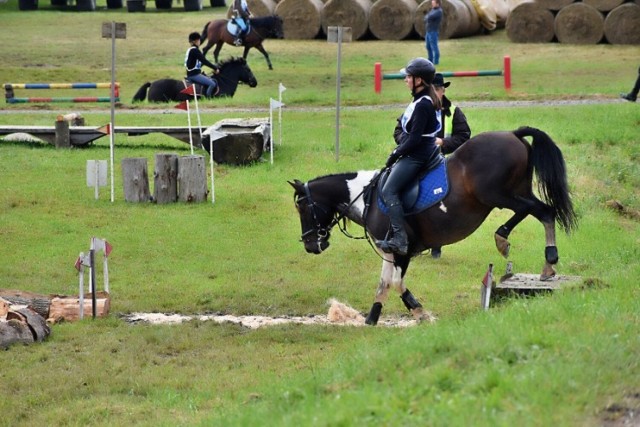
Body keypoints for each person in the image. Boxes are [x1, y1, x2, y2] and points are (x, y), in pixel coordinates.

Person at [377, 58, 443, 256]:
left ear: (419, 80)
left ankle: (400, 239)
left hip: (417, 155)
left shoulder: (423, 104)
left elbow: (414, 140)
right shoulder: (421, 98)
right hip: (420, 150)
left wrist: (395, 153)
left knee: (389, 190)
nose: (405, 79)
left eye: (408, 76)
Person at [430, 72, 471, 259]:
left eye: (436, 90)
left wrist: (443, 143)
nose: (433, 94)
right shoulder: (418, 108)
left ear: (442, 91)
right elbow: (400, 130)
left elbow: (464, 136)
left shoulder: (453, 111)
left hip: (446, 163)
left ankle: (436, 244)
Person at [184, 32, 220, 99]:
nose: (200, 41)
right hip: (194, 75)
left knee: (210, 79)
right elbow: (204, 61)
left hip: (191, 73)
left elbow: (198, 63)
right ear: (196, 41)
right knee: (212, 84)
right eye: (199, 40)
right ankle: (208, 98)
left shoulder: (190, 50)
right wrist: (215, 68)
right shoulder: (195, 51)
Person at [424, 0, 443, 65]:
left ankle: (436, 62)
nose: (432, 4)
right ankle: (430, 60)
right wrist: (428, 17)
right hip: (428, 31)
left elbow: (429, 17)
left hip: (433, 31)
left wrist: (428, 17)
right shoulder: (433, 10)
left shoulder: (439, 11)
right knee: (428, 46)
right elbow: (426, 18)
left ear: (437, 3)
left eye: (433, 3)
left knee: (434, 47)